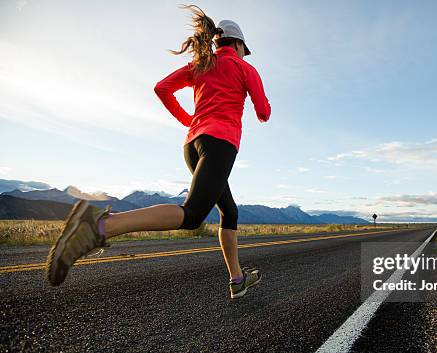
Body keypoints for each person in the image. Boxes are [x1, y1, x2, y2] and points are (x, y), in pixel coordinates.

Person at [45, 5, 271, 299]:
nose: (244, 54)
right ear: (238, 44)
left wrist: (189, 121)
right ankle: (100, 224)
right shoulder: (244, 68)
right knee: (192, 216)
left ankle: (237, 279)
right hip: (220, 143)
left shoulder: (200, 65)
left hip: (192, 145)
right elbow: (263, 112)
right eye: (244, 49)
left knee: (229, 211)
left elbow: (162, 88)